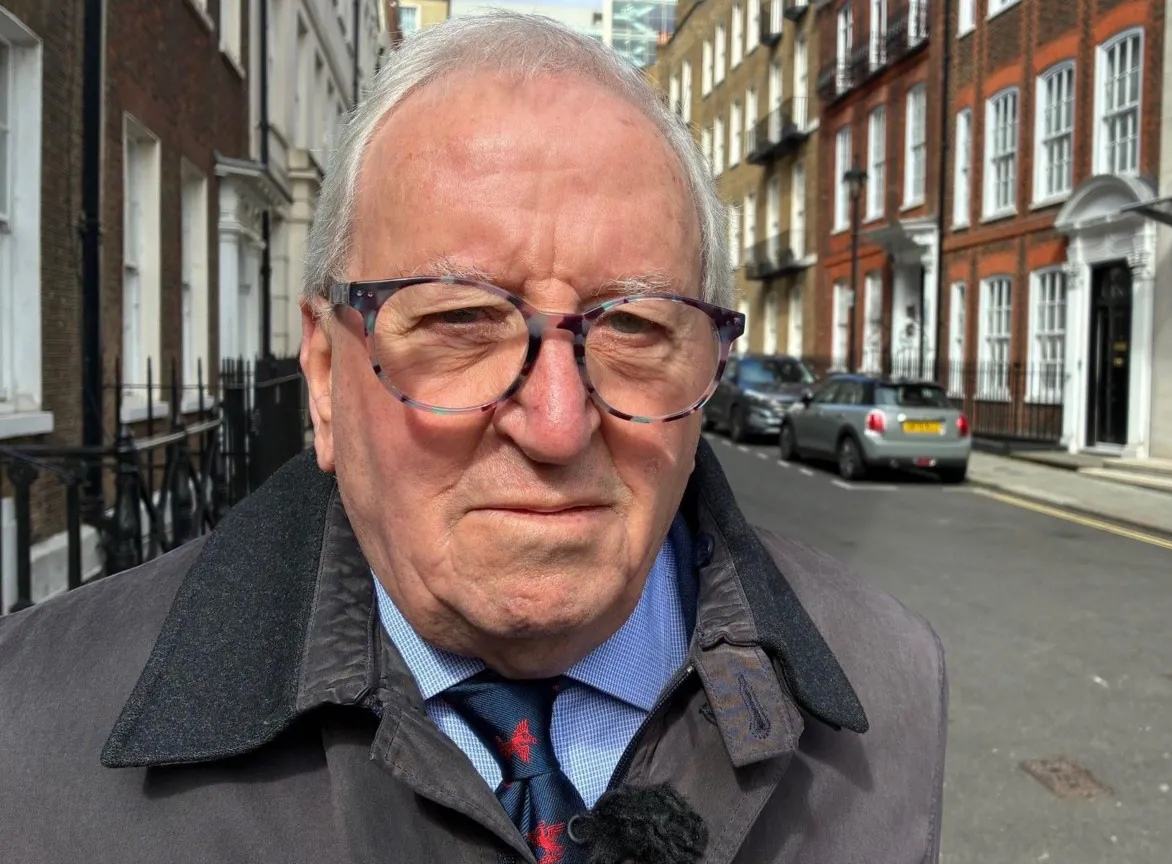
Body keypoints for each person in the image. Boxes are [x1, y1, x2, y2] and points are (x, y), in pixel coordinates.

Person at [0, 11, 947, 864]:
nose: (558, 421)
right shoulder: (32, 732)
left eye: (633, 327)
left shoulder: (887, 685)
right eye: (459, 322)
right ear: (326, 380)